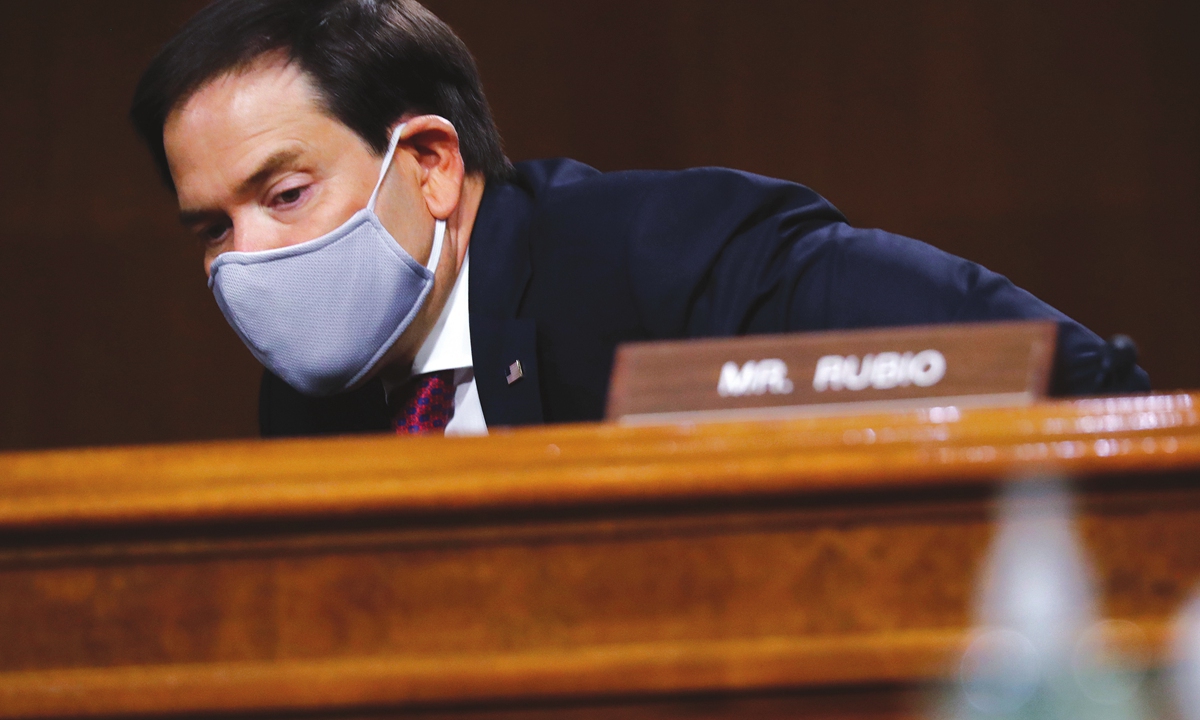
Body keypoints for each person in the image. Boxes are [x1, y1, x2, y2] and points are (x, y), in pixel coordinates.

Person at [130, 0, 1149, 439]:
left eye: (282, 196)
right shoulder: (305, 406)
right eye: (211, 230)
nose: (243, 261)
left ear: (432, 164)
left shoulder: (663, 258)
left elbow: (1073, 382)